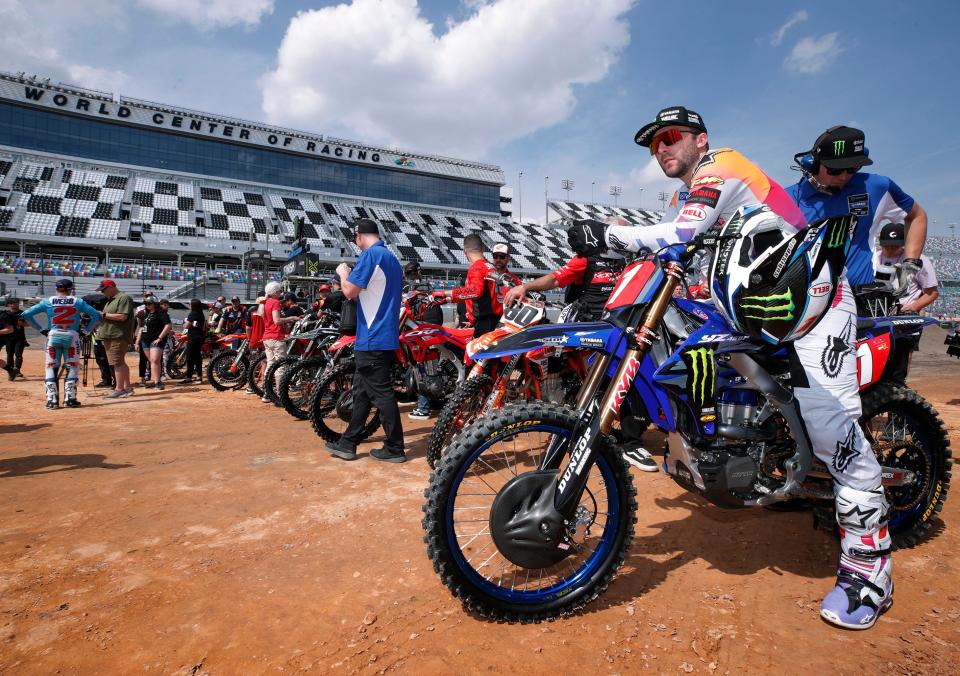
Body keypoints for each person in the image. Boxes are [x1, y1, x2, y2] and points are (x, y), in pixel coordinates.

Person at [568, 106, 892, 630]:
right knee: (705, 372)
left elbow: (679, 230)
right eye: (654, 145)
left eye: (670, 138)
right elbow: (677, 251)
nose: (662, 150)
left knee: (834, 432)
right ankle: (754, 453)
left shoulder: (724, 166)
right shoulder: (688, 191)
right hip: (754, 305)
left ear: (701, 140)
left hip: (815, 304)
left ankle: (869, 569)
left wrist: (610, 234)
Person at [502, 221, 658, 472]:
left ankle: (628, 440)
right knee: (600, 383)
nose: (623, 237)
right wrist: (526, 286)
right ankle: (587, 433)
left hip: (626, 330)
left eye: (626, 233)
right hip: (591, 332)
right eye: (618, 233)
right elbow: (555, 279)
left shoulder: (634, 260)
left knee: (631, 383)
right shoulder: (588, 258)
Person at [786, 126, 928, 296]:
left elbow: (917, 216)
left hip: (859, 300)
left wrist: (910, 265)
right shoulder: (788, 199)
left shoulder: (876, 187)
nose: (844, 176)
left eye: (852, 168)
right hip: (804, 303)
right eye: (835, 169)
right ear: (813, 164)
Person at [325, 218, 406, 463]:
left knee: (382, 395)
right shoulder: (392, 258)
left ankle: (395, 447)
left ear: (359, 235)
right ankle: (348, 443)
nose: (356, 244)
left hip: (373, 337)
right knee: (361, 392)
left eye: (355, 239)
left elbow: (349, 292)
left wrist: (343, 273)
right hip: (381, 336)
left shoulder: (371, 255)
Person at [21, 278, 101, 408]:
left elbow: (26, 314)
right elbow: (96, 316)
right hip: (72, 335)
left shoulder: (47, 301)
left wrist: (41, 329)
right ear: (70, 289)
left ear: (57, 289)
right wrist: (86, 331)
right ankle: (70, 399)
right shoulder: (78, 301)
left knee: (51, 366)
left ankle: (52, 400)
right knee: (73, 366)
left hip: (53, 336)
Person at [434, 234, 500, 337]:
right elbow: (486, 296)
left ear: (465, 251)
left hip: (484, 324)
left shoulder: (476, 267)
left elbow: (475, 291)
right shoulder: (491, 267)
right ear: (483, 248)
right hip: (494, 321)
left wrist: (445, 293)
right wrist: (449, 299)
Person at [259, 282, 299, 403]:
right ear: (275, 292)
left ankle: (267, 393)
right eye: (279, 292)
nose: (281, 294)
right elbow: (277, 321)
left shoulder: (265, 303)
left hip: (267, 337)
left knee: (271, 364)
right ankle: (281, 395)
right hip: (276, 337)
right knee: (281, 367)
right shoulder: (275, 303)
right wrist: (292, 318)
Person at [97, 279, 135, 399]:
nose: (103, 292)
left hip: (117, 335)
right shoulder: (110, 301)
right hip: (110, 335)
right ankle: (127, 388)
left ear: (111, 287)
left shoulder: (124, 298)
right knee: (120, 362)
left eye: (104, 290)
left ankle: (119, 389)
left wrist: (103, 314)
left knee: (117, 363)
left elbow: (123, 317)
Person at [140, 297, 171, 391]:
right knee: (152, 361)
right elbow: (142, 327)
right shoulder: (147, 314)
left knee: (154, 360)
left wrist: (160, 337)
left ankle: (157, 382)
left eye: (149, 303)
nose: (147, 305)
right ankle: (156, 381)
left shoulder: (161, 313)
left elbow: (168, 325)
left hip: (156, 340)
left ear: (155, 303)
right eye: (146, 304)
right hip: (145, 340)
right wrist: (137, 341)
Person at [0, 297, 27, 381]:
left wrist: (22, 323)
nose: (16, 304)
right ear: (9, 305)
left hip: (19, 337)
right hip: (9, 338)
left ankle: (17, 370)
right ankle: (11, 371)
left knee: (18, 354)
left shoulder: (22, 313)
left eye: (17, 303)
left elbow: (29, 324)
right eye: (13, 303)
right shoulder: (6, 313)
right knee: (9, 354)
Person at [180, 298, 206, 384]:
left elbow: (186, 326)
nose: (189, 305)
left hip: (193, 337)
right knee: (197, 357)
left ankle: (189, 378)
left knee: (190, 358)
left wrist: (184, 322)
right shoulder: (200, 314)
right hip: (200, 337)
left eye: (190, 304)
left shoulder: (192, 314)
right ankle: (199, 377)